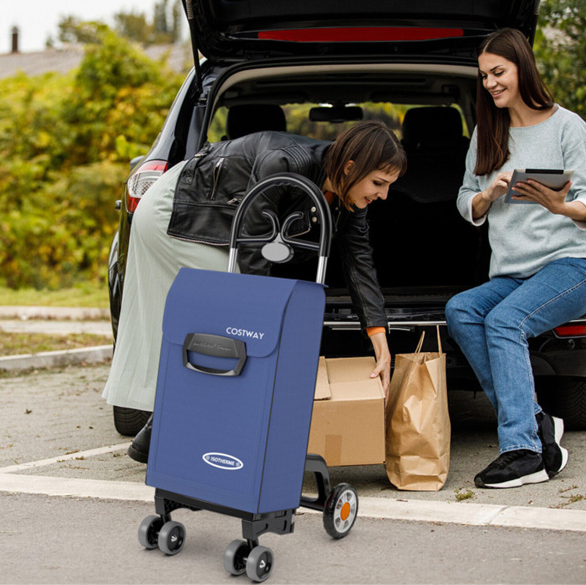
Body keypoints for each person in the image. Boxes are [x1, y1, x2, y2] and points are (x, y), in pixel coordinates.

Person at [102, 121, 407, 463]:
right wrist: (261, 332)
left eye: (389, 186)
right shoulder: (283, 163)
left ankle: (162, 432)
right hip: (176, 210)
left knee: (226, 325)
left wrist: (379, 339)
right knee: (228, 312)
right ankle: (176, 432)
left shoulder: (348, 193)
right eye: (379, 183)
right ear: (351, 167)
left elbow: (358, 260)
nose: (383, 195)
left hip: (219, 225)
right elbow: (251, 253)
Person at [445, 28, 586, 489]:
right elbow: (466, 200)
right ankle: (535, 422)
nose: (489, 83)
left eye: (498, 72)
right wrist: (487, 195)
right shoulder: (489, 131)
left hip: (572, 264)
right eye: (484, 75)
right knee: (462, 310)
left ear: (522, 68)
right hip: (514, 272)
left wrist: (559, 206)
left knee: (504, 321)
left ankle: (524, 450)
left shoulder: (569, 126)